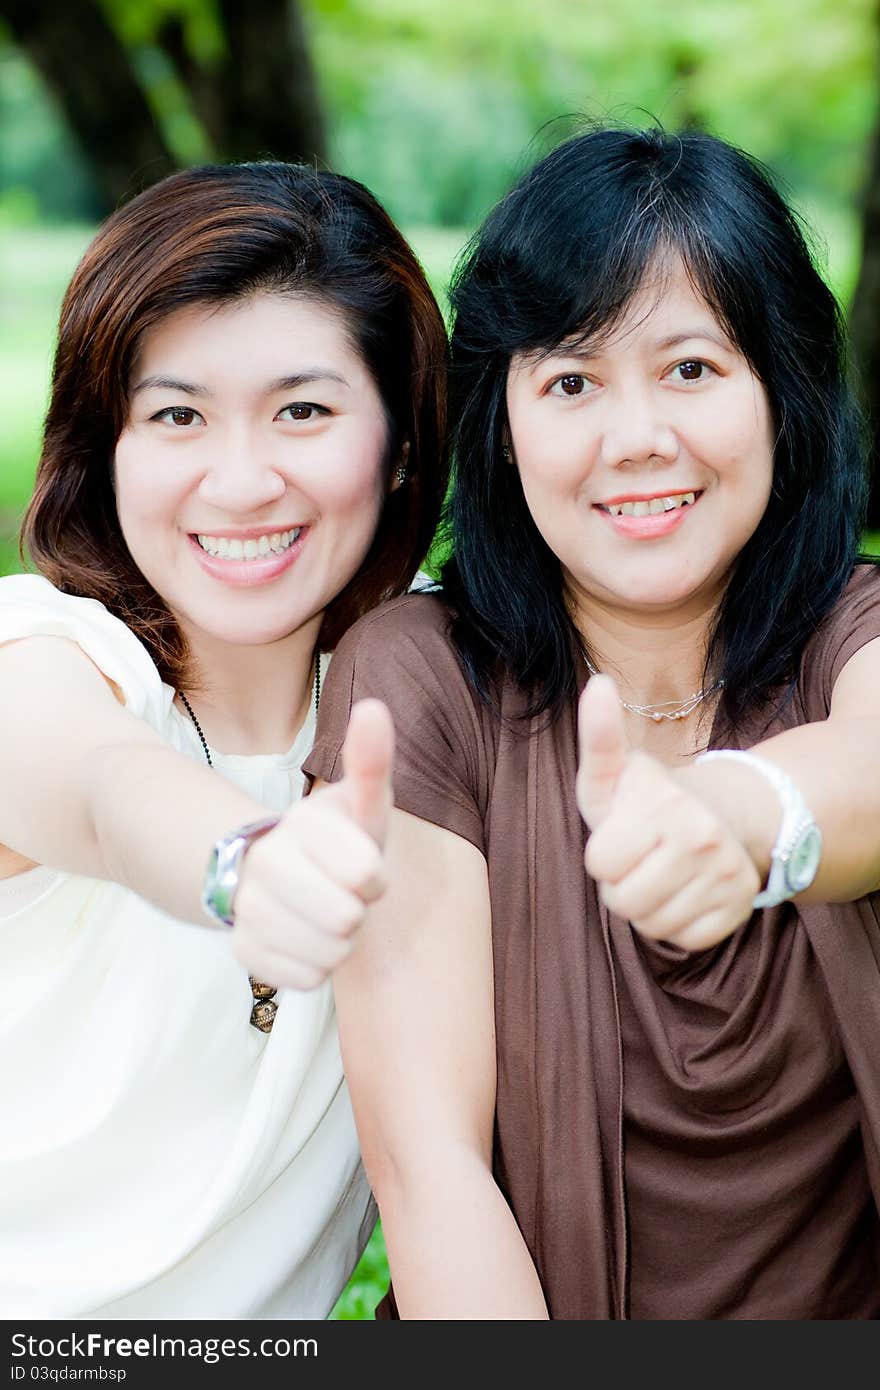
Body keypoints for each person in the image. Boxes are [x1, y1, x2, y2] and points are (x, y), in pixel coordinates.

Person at [305, 125, 880, 1319]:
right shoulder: (414, 679)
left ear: (782, 388)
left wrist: (740, 814)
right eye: (571, 381)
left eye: (689, 369)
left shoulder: (852, 629)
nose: (635, 440)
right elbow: (429, 1170)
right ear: (501, 428)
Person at [0, 159, 448, 1319]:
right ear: (109, 448)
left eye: (302, 409)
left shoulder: (435, 711)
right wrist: (245, 862)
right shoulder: (42, 654)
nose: (240, 481)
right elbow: (100, 789)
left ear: (400, 442)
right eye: (178, 414)